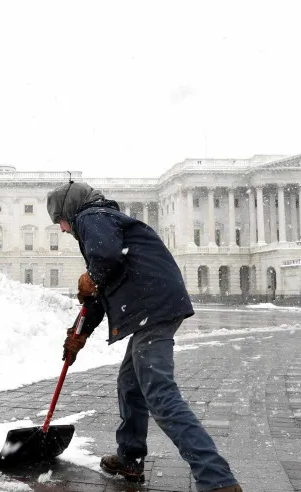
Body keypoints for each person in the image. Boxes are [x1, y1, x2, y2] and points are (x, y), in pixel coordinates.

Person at [48, 181, 241, 492]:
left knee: (160, 394)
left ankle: (217, 479)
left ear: (68, 211)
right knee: (130, 385)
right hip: (154, 307)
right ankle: (130, 458)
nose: (61, 229)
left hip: (153, 308)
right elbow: (98, 292)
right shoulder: (102, 223)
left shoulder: (91, 217)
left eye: (59, 220)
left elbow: (105, 261)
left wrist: (91, 276)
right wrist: (78, 335)